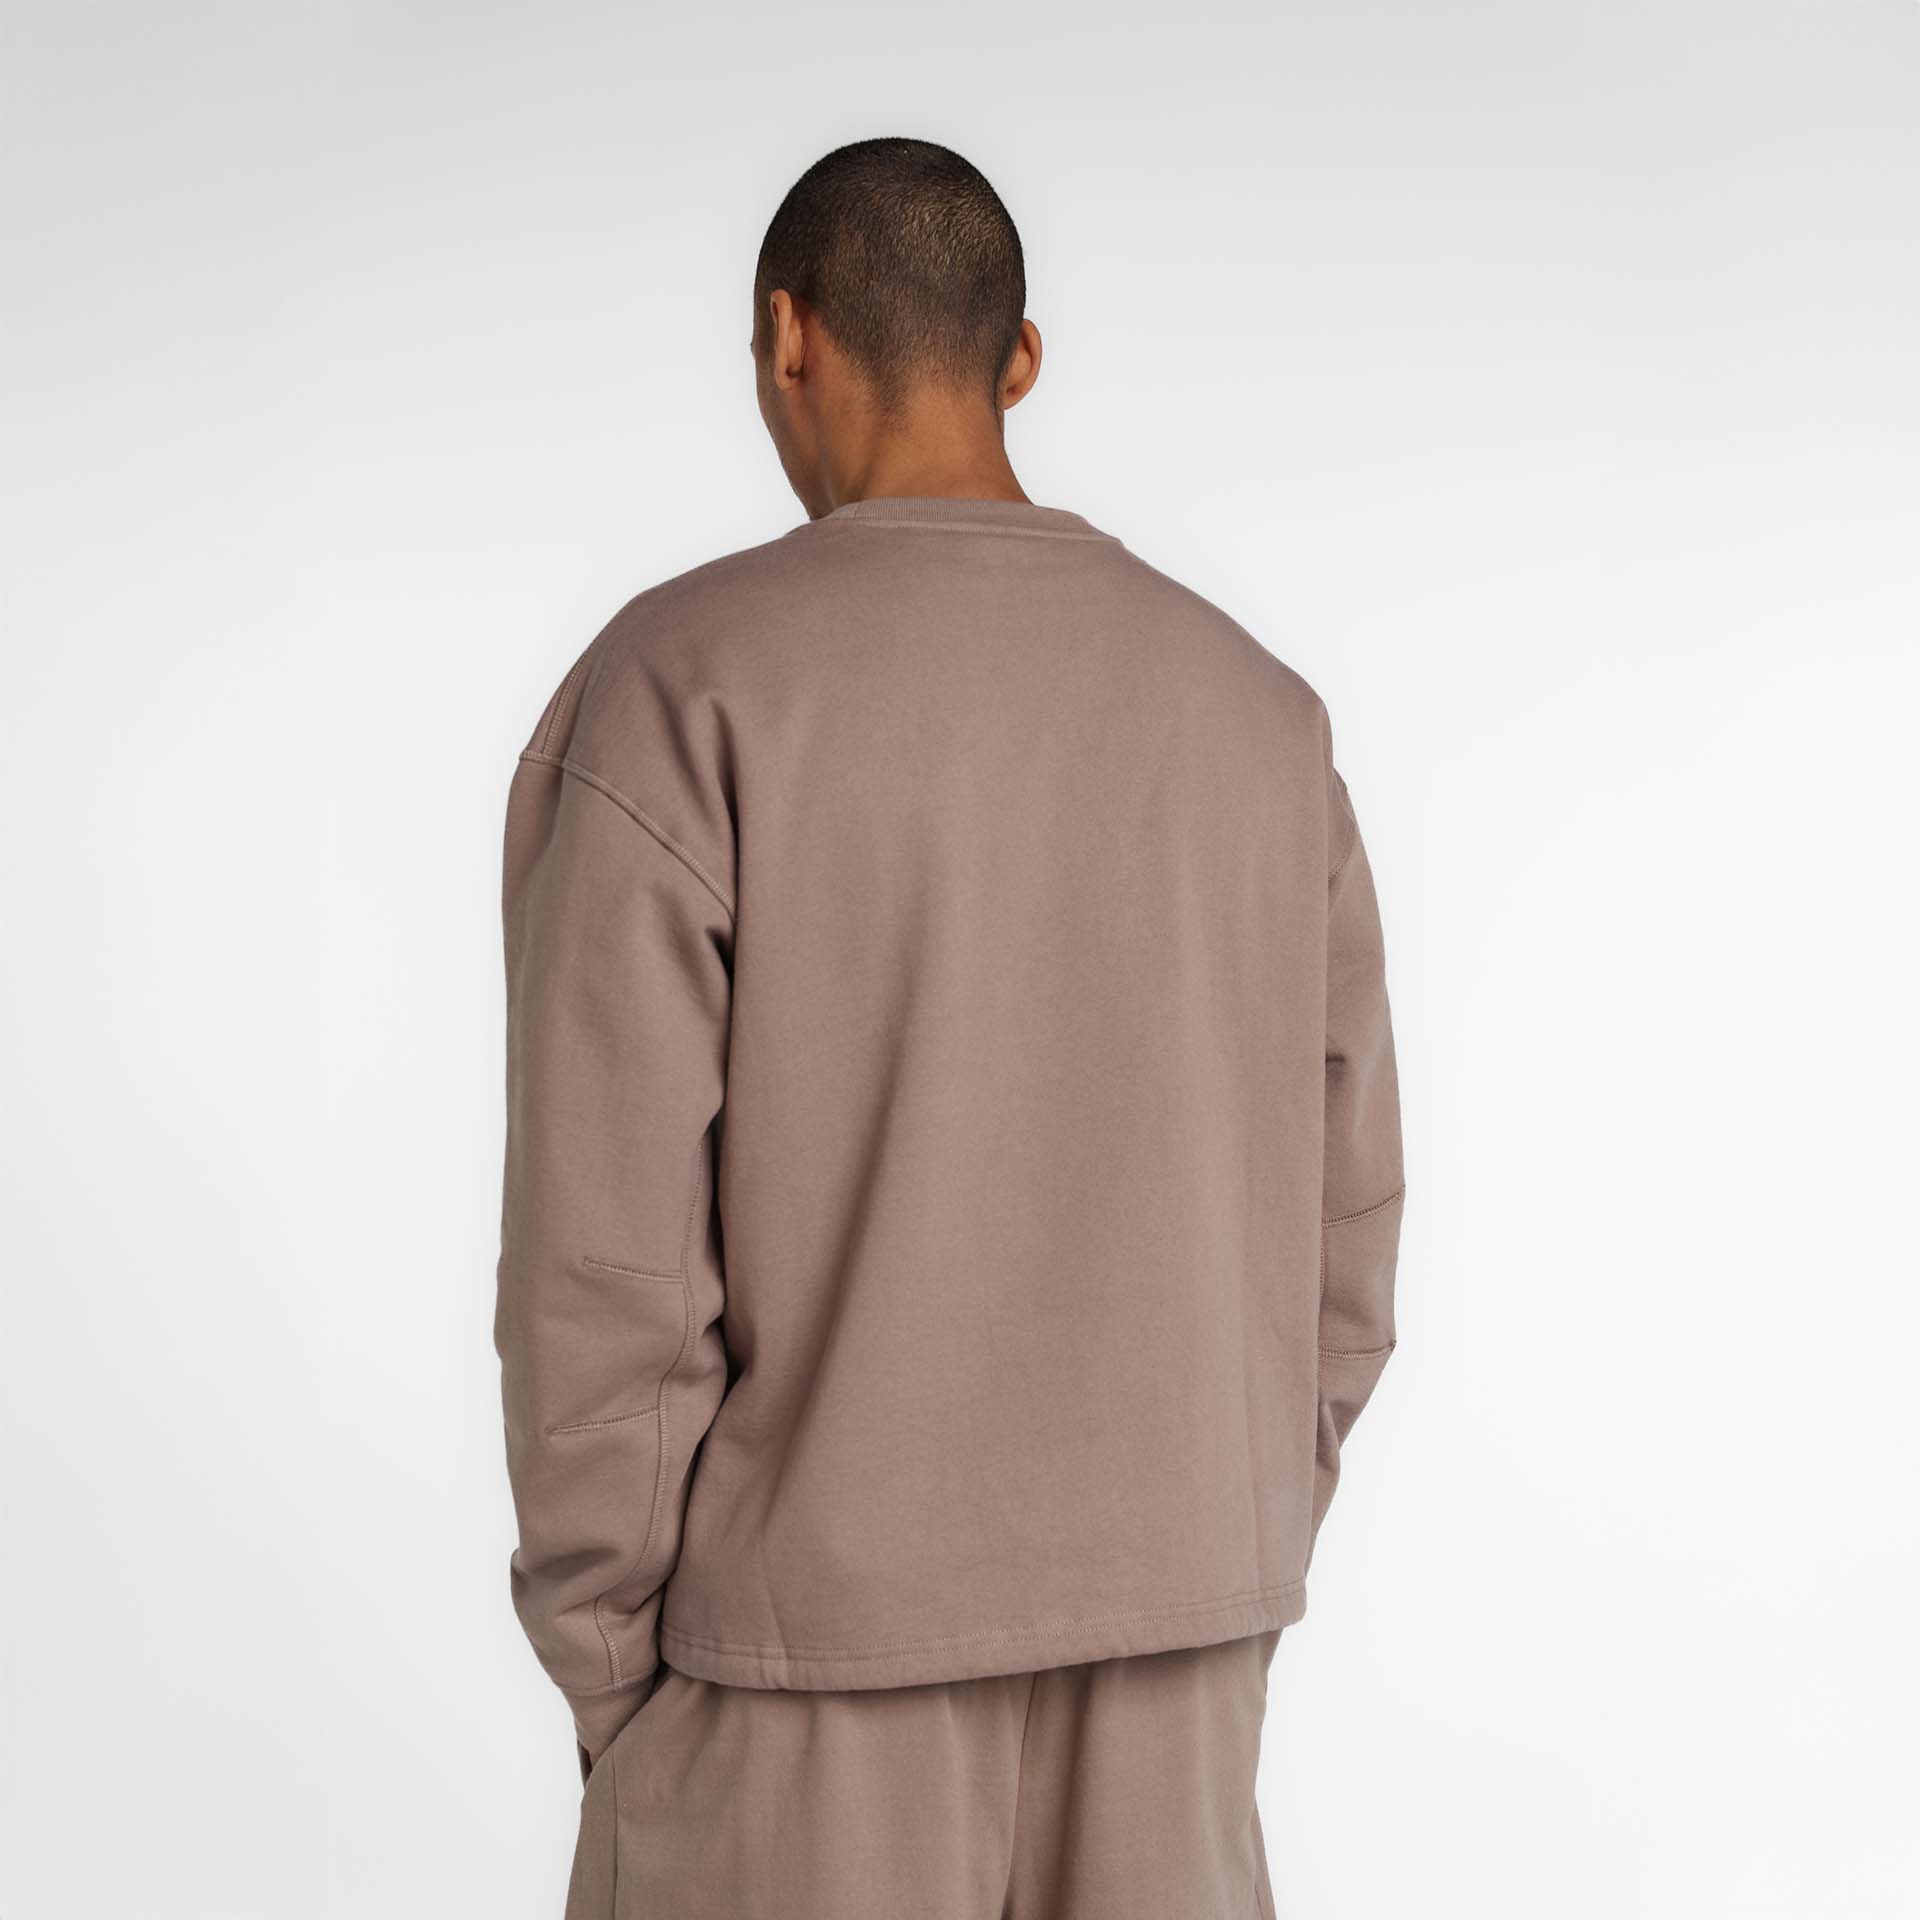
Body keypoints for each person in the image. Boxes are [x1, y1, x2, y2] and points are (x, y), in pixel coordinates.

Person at [495, 135, 1404, 1920]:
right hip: (1175, 1684)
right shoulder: (1261, 719)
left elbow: (602, 1274)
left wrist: (619, 1680)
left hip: (789, 1697)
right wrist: (1218, 1548)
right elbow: (1346, 1233)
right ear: (1020, 359)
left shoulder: (681, 690)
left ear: (787, 338)